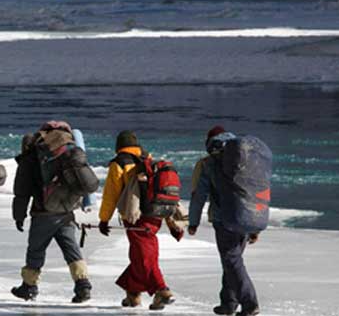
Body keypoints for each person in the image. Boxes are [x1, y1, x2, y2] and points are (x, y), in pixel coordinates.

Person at [10, 121, 94, 303]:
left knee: (36, 250)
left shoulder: (34, 152)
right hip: (67, 210)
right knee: (71, 249)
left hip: (44, 212)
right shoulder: (68, 148)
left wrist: (19, 215)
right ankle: (83, 285)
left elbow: (22, 189)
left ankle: (29, 286)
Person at [96, 130, 175, 310]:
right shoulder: (148, 159)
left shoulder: (119, 163)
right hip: (156, 214)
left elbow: (111, 195)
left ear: (118, 146)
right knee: (142, 254)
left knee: (145, 258)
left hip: (135, 217)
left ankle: (162, 290)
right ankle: (133, 294)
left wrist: (104, 219)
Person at [188, 126, 261, 316]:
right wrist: (255, 226)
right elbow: (255, 192)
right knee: (232, 260)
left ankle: (249, 303)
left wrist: (193, 222)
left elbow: (199, 196)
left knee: (232, 260)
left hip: (224, 219)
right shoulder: (245, 158)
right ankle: (228, 302)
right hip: (247, 216)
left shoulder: (209, 163)